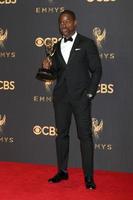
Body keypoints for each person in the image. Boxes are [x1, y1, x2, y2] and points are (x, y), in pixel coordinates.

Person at [43, 10, 102, 189]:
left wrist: (89, 94)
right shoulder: (55, 46)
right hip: (61, 99)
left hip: (80, 99)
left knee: (85, 137)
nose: (64, 25)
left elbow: (97, 70)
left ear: (75, 23)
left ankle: (89, 177)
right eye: (61, 22)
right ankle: (62, 171)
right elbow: (54, 75)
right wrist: (47, 67)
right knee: (61, 135)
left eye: (67, 21)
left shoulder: (86, 43)